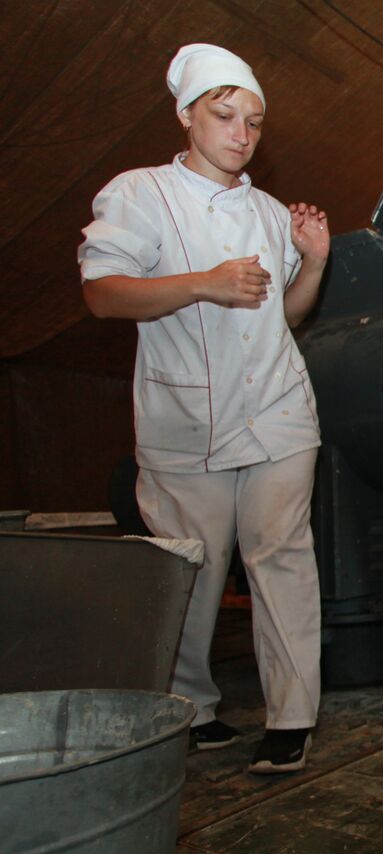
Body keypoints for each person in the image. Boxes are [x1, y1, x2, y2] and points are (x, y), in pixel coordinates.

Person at [78, 44, 329, 774]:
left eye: (253, 120)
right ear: (186, 115)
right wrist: (203, 283)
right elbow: (101, 294)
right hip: (184, 420)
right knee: (192, 568)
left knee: (281, 557)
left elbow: (287, 315)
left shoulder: (271, 213)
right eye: (224, 115)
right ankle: (192, 709)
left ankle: (292, 717)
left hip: (277, 410)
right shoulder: (139, 194)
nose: (241, 133)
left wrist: (313, 260)